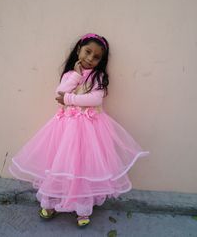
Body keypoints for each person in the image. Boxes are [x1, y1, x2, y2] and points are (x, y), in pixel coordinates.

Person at [9, 33, 150, 227]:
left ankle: (83, 207)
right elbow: (59, 92)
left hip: (89, 131)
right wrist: (75, 76)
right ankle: (51, 202)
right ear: (78, 50)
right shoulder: (70, 75)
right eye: (87, 52)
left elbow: (95, 99)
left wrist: (69, 99)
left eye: (96, 56)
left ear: (102, 60)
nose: (90, 58)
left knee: (83, 166)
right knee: (59, 164)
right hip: (64, 129)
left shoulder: (98, 77)